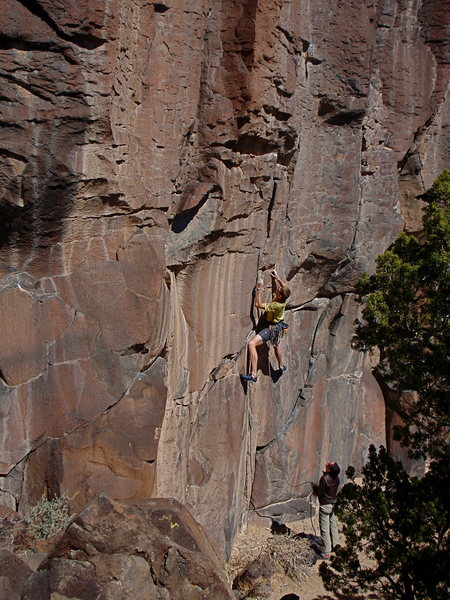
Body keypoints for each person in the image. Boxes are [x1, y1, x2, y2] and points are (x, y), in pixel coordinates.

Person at [241, 270, 291, 382]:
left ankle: (253, 375)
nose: (276, 289)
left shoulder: (276, 305)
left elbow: (258, 304)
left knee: (251, 344)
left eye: (277, 291)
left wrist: (260, 289)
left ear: (279, 295)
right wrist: (277, 278)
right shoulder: (284, 298)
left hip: (272, 328)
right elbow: (284, 286)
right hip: (278, 327)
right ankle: (281, 366)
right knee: (276, 345)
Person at [311, 461, 341, 559]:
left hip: (325, 506)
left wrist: (314, 487)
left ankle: (326, 552)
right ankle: (336, 547)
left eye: (330, 464)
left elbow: (320, 492)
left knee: (325, 529)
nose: (328, 462)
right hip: (333, 504)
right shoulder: (336, 478)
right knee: (333, 526)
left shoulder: (325, 479)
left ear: (329, 469)